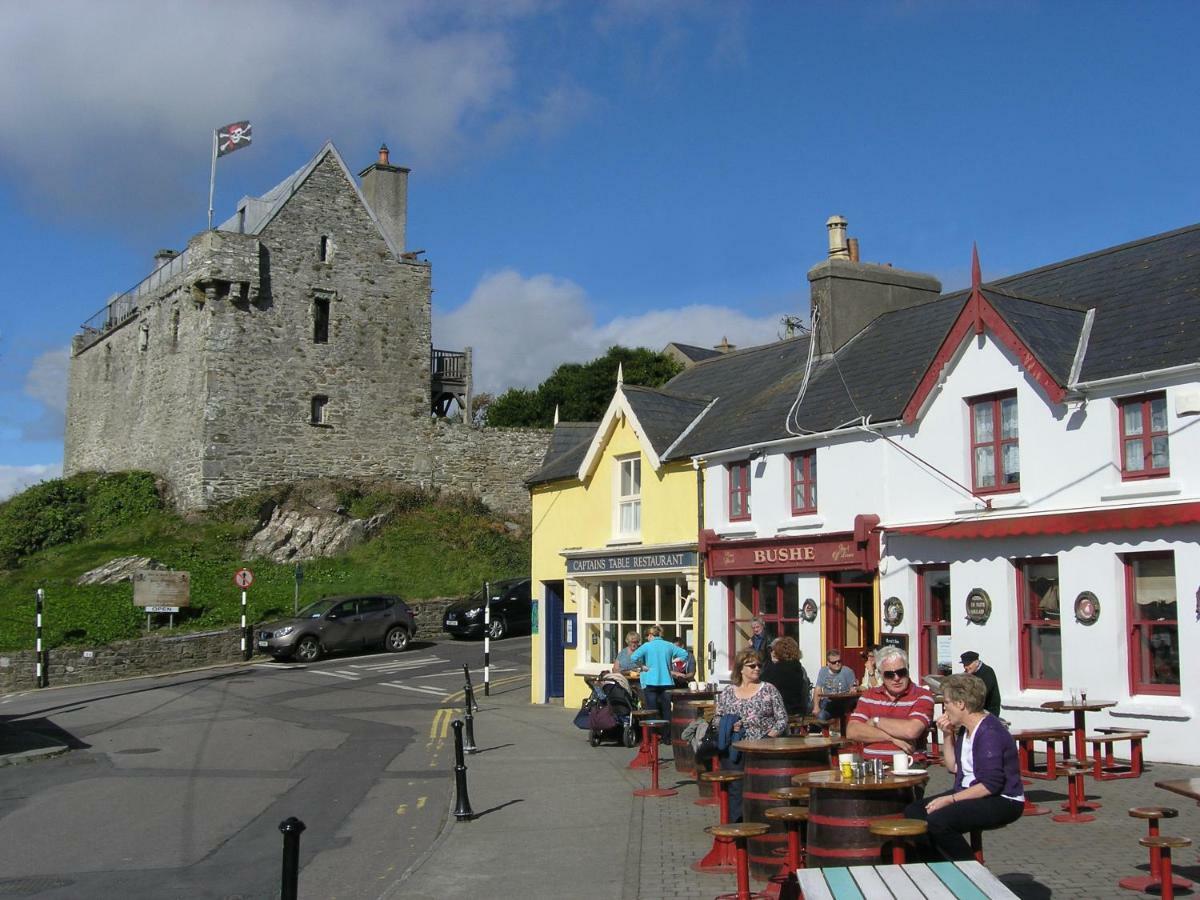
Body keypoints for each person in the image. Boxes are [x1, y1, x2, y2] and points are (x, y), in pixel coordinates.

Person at [903, 673, 1024, 861]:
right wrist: (947, 735)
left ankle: (969, 869)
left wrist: (950, 799)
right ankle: (937, 863)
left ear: (961, 704)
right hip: (971, 790)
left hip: (1002, 799)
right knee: (914, 811)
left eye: (947, 702)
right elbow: (953, 767)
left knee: (939, 821)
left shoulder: (989, 732)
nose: (944, 708)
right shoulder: (966, 729)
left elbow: (991, 784)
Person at [716, 647, 788, 822]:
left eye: (758, 665)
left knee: (760, 789)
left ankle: (760, 824)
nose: (757, 668)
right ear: (741, 669)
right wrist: (728, 725)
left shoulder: (769, 689)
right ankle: (736, 825)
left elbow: (782, 719)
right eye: (751, 665)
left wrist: (769, 738)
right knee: (735, 788)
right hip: (735, 747)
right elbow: (717, 717)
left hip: (762, 749)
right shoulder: (727, 693)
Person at [846, 645, 935, 759]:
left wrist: (875, 721)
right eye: (889, 674)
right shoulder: (868, 696)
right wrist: (892, 738)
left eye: (901, 672)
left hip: (909, 766)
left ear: (908, 669)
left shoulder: (922, 696)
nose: (896, 678)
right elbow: (852, 731)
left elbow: (911, 730)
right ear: (880, 674)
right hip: (873, 766)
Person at [630, 625, 688, 722]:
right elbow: (684, 654)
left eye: (647, 636)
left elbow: (633, 657)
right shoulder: (669, 645)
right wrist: (672, 661)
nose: (647, 638)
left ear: (651, 635)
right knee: (666, 711)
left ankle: (654, 735)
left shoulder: (647, 646)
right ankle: (666, 736)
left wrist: (642, 666)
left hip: (651, 682)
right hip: (667, 682)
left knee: (652, 711)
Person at [761, 636, 812, 716]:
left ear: (779, 652)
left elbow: (761, 687)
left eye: (774, 650)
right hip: (796, 709)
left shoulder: (775, 669)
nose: (772, 653)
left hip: (779, 711)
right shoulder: (798, 668)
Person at [812, 650, 856, 722]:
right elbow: (818, 689)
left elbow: (853, 688)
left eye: (839, 661)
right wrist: (816, 707)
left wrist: (853, 690)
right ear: (828, 663)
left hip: (844, 703)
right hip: (828, 703)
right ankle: (825, 733)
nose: (837, 663)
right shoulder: (823, 671)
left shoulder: (847, 671)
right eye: (834, 662)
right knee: (820, 716)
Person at [960, 651, 1001, 718]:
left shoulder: (987, 672)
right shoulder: (967, 674)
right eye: (964, 665)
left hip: (988, 711)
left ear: (976, 662)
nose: (965, 667)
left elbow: (982, 693)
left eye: (968, 664)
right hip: (974, 710)